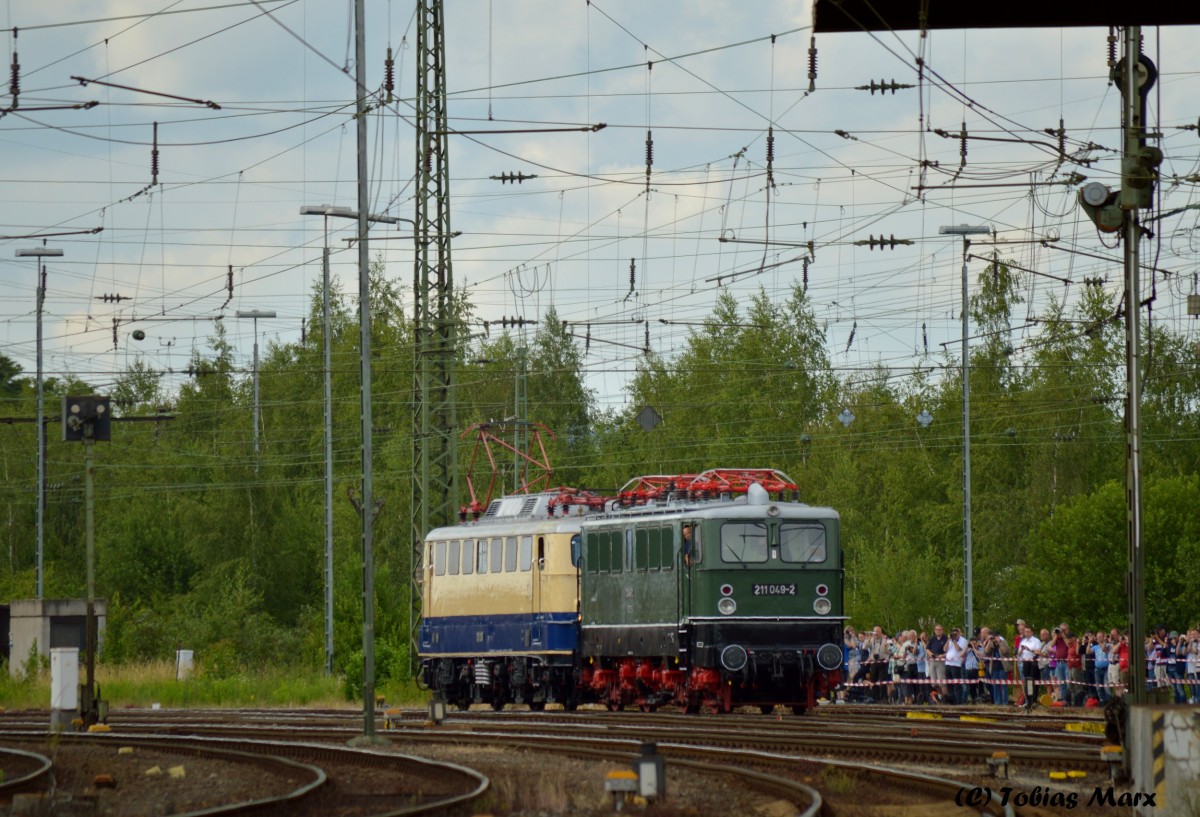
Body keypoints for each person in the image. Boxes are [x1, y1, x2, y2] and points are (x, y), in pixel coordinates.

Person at [1017, 626, 1043, 708]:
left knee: (1033, 682)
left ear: (1032, 632)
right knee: (1026, 682)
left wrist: (1029, 649)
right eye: (1025, 632)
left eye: (1028, 632)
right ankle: (1027, 701)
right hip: (1025, 663)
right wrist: (1021, 650)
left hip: (1033, 663)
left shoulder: (1036, 641)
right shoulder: (1023, 641)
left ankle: (1034, 701)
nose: (1027, 633)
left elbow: (1038, 652)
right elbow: (1018, 654)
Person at [944, 627, 968, 704]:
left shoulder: (963, 640)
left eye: (956, 633)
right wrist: (948, 640)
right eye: (953, 632)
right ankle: (952, 700)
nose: (954, 634)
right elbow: (944, 649)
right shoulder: (950, 640)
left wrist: (954, 641)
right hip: (948, 664)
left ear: (959, 633)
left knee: (956, 684)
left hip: (956, 664)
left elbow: (958, 649)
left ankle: (958, 700)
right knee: (949, 683)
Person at [926, 624, 948, 703]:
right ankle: (940, 697)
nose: (938, 631)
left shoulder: (946, 639)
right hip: (932, 660)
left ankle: (946, 699)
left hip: (941, 661)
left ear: (942, 630)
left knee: (941, 680)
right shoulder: (932, 639)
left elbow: (948, 651)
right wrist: (930, 654)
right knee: (934, 682)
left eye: (940, 629)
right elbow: (927, 648)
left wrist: (942, 655)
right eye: (936, 629)